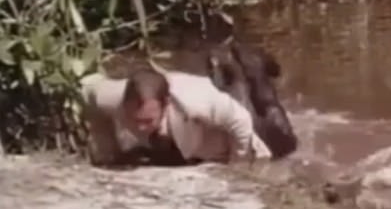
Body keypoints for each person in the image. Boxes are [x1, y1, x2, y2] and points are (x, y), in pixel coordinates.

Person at [80, 64, 272, 167]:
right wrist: (111, 152)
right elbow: (87, 91)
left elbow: (240, 119)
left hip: (223, 148)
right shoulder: (112, 98)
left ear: (166, 103)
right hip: (174, 147)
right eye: (134, 119)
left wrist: (237, 165)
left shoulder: (192, 99)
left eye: (147, 121)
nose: (140, 127)